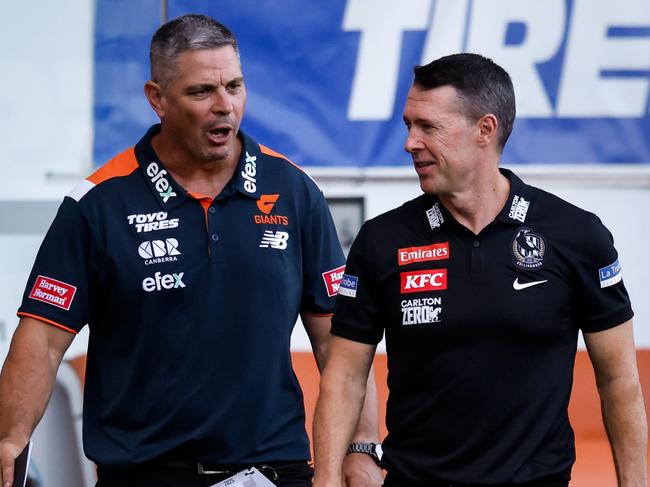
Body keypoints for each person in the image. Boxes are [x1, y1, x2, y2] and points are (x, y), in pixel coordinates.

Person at [0, 14, 382, 487]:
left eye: (235, 86)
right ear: (157, 99)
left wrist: (362, 447)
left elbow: (340, 344)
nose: (225, 106)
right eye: (202, 92)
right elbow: (42, 338)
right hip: (145, 475)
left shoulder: (294, 191)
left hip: (273, 471)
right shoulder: (98, 203)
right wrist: (10, 439)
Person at [313, 53, 647, 487]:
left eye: (428, 127)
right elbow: (345, 374)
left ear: (484, 130)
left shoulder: (576, 235)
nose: (410, 142)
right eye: (408, 125)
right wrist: (327, 477)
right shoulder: (383, 239)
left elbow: (619, 377)